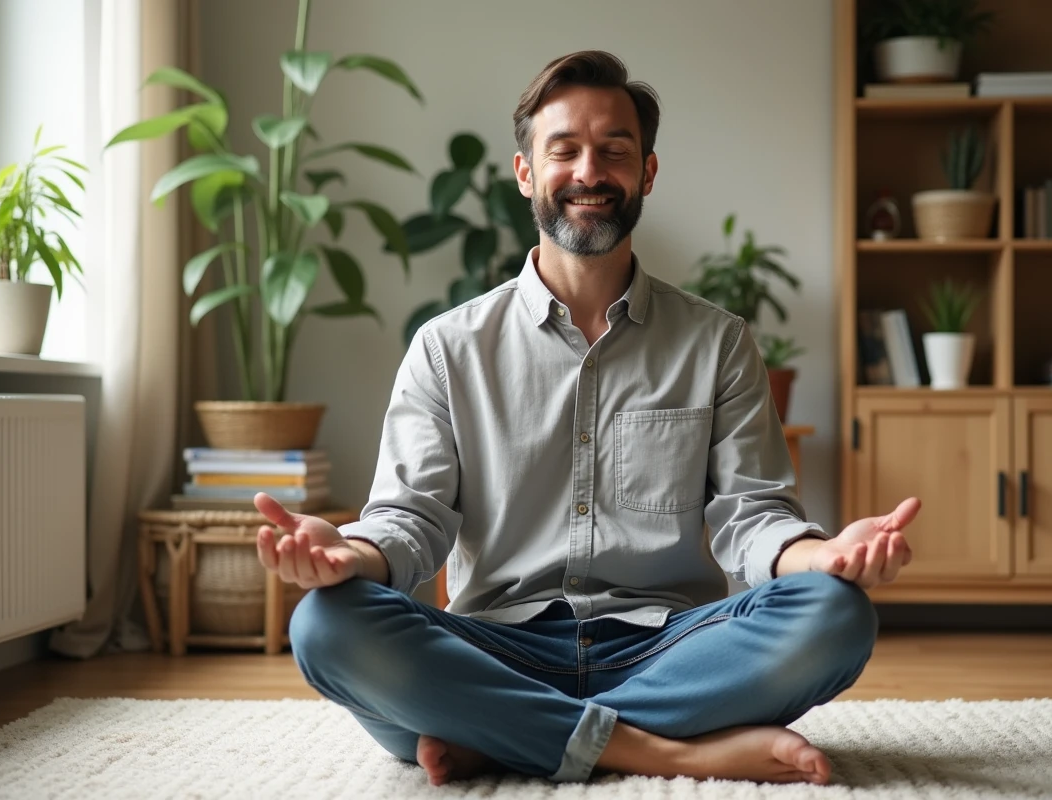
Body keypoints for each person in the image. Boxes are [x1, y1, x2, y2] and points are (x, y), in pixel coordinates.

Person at [254, 49, 918, 788]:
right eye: (563, 150)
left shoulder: (718, 342)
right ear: (526, 173)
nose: (589, 173)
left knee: (836, 616)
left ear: (648, 173)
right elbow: (409, 519)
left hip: (668, 647)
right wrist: (350, 556)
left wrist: (823, 557)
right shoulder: (447, 349)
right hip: (492, 646)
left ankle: (503, 733)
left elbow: (752, 516)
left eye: (614, 151)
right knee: (324, 625)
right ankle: (663, 750)